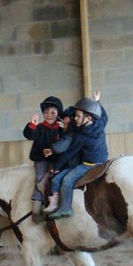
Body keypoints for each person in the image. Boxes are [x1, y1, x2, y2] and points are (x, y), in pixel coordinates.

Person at [45, 90, 108, 219]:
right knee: (61, 178)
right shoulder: (99, 124)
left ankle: (65, 208)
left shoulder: (81, 136)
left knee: (67, 180)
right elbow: (104, 116)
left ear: (88, 118)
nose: (75, 118)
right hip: (101, 160)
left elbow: (69, 153)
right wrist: (97, 103)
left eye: (78, 116)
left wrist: (56, 167)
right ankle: (56, 203)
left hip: (89, 164)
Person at [23, 96, 64, 217]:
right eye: (46, 112)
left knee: (56, 179)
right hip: (41, 159)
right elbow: (29, 135)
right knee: (40, 180)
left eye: (52, 112)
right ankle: (36, 208)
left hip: (56, 160)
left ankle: (57, 204)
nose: (49, 115)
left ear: (58, 114)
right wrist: (32, 126)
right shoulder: (39, 128)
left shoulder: (61, 131)